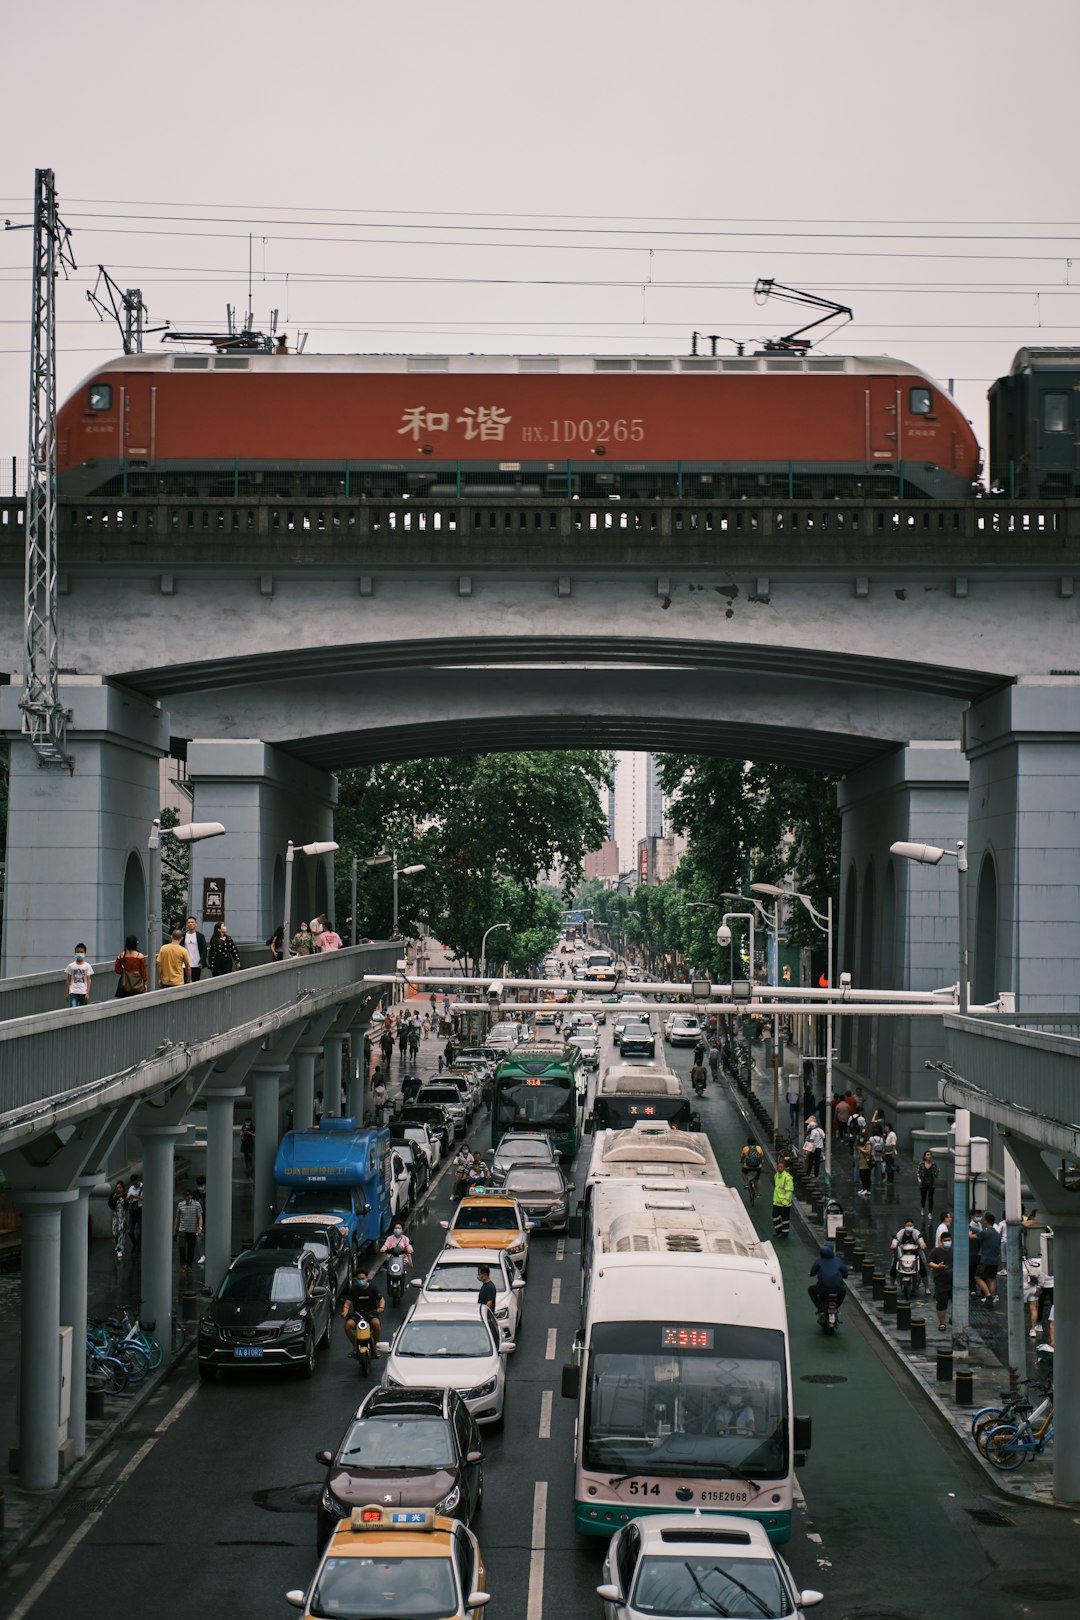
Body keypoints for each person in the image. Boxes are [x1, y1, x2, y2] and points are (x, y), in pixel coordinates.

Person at [343, 1270, 383, 1359]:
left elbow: (381, 1299)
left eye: (363, 1279)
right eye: (359, 1279)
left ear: (367, 1278)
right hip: (357, 1315)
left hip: (371, 1314)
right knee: (348, 1325)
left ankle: (374, 1347)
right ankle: (355, 1347)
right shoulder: (353, 1290)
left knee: (376, 1324)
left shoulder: (373, 1289)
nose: (361, 1281)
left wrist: (381, 1308)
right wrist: (345, 1311)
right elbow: (347, 1304)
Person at [808, 1242, 848, 1312]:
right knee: (843, 1291)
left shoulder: (819, 1260)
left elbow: (813, 1272)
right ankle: (836, 1306)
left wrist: (812, 1274)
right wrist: (844, 1276)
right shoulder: (837, 1260)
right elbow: (845, 1272)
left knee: (811, 1290)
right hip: (837, 1287)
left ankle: (820, 1306)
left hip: (823, 1287)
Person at [890, 1218, 929, 1289]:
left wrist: (922, 1244)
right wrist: (894, 1244)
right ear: (904, 1226)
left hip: (914, 1254)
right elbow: (896, 1239)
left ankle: (927, 1287)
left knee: (922, 1268)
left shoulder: (916, 1232)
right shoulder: (901, 1233)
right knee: (894, 1267)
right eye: (908, 1225)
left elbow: (920, 1239)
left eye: (911, 1225)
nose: (909, 1227)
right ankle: (892, 1285)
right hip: (902, 1254)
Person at [173, 1188, 203, 1277]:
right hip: (182, 1229)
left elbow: (200, 1217)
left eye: (188, 1195)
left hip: (192, 1230)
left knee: (191, 1249)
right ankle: (182, 1264)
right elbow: (177, 1217)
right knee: (181, 1247)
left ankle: (189, 1265)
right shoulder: (180, 1205)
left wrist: (199, 1228)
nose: (187, 1197)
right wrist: (175, 1230)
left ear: (191, 1196)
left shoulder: (197, 1204)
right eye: (185, 1195)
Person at [928, 1227, 953, 1332]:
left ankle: (954, 1318)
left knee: (956, 1302)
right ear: (941, 1241)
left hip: (954, 1282)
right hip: (941, 1282)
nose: (947, 1242)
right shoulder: (935, 1252)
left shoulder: (954, 1251)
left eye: (949, 1240)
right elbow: (929, 1262)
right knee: (942, 1303)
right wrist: (938, 1266)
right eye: (945, 1241)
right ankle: (942, 1323)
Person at [975, 1211, 1002, 1304]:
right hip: (994, 1261)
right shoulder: (997, 1235)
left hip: (985, 1260)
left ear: (986, 1221)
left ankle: (988, 1295)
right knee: (991, 1279)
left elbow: (972, 1236)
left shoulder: (985, 1233)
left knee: (977, 1277)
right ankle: (991, 1297)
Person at [771, 1157, 794, 1239]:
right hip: (777, 1202)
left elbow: (789, 1191)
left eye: (781, 1167)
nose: (779, 1168)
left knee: (785, 1219)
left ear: (784, 1168)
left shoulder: (787, 1177)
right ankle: (779, 1231)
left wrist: (785, 1202)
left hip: (785, 1204)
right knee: (775, 1216)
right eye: (778, 1167)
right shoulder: (776, 1176)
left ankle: (784, 1234)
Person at [65, 943, 94, 1008]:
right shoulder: (71, 966)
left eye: (81, 952)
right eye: (77, 952)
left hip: (83, 992)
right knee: (73, 1009)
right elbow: (68, 979)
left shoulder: (87, 966)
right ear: (75, 953)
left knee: (83, 1011)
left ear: (84, 953)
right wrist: (67, 993)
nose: (79, 954)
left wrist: (87, 993)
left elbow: (89, 980)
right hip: (73, 992)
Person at [183, 917, 209, 982]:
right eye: (189, 922)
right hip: (185, 964)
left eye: (192, 922)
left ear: (195, 924)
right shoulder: (183, 935)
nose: (190, 924)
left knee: (195, 981)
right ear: (186, 924)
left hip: (196, 963)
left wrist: (201, 962)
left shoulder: (200, 936)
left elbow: (204, 949)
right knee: (185, 981)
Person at [108, 1179, 128, 1259]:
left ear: (122, 1188)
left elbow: (127, 1206)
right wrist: (114, 1199)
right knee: (115, 1232)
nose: (118, 1189)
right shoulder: (113, 1195)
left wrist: (126, 1199)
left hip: (122, 1217)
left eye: (120, 1187)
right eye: (117, 1187)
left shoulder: (125, 1195)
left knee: (121, 1232)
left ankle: (120, 1249)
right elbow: (110, 1205)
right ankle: (117, 1245)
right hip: (115, 1217)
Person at [917, 1150, 939, 1217]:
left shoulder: (934, 1165)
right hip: (923, 1184)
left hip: (931, 1184)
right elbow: (918, 1173)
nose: (929, 1156)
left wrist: (937, 1172)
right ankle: (923, 1208)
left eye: (930, 1155)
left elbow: (936, 1176)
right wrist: (919, 1179)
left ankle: (930, 1213)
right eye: (927, 1155)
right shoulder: (921, 1164)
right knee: (923, 1198)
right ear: (925, 1156)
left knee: (930, 1198)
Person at [126, 1173, 143, 1252]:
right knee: (130, 1231)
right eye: (133, 1183)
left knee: (139, 1232)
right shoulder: (131, 1188)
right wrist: (129, 1197)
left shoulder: (143, 1187)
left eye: (135, 1183)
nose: (135, 1184)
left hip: (141, 1209)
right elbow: (127, 1199)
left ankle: (138, 1248)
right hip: (133, 1210)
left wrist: (138, 1197)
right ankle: (135, 1244)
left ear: (138, 1180)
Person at [856, 1133, 875, 1197]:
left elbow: (868, 1151)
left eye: (861, 1137)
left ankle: (867, 1189)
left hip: (866, 1164)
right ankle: (864, 1188)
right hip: (862, 1163)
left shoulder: (868, 1143)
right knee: (862, 1176)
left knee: (866, 1177)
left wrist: (861, 1149)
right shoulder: (864, 1144)